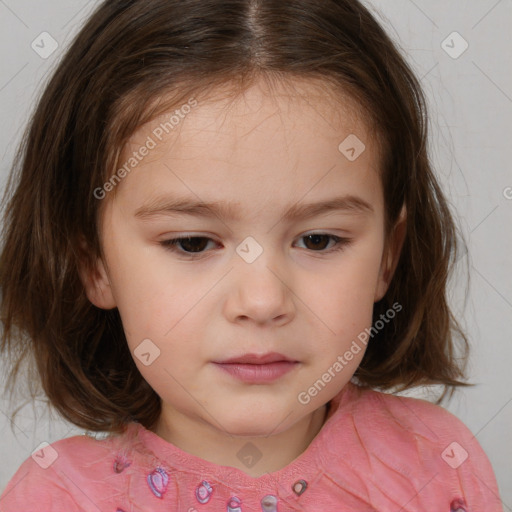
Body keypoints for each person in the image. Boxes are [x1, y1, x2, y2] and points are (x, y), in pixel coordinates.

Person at [0, 0, 504, 510]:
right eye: (192, 243)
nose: (262, 302)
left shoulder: (438, 463)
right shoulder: (59, 498)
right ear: (95, 265)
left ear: (387, 258)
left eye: (318, 240)